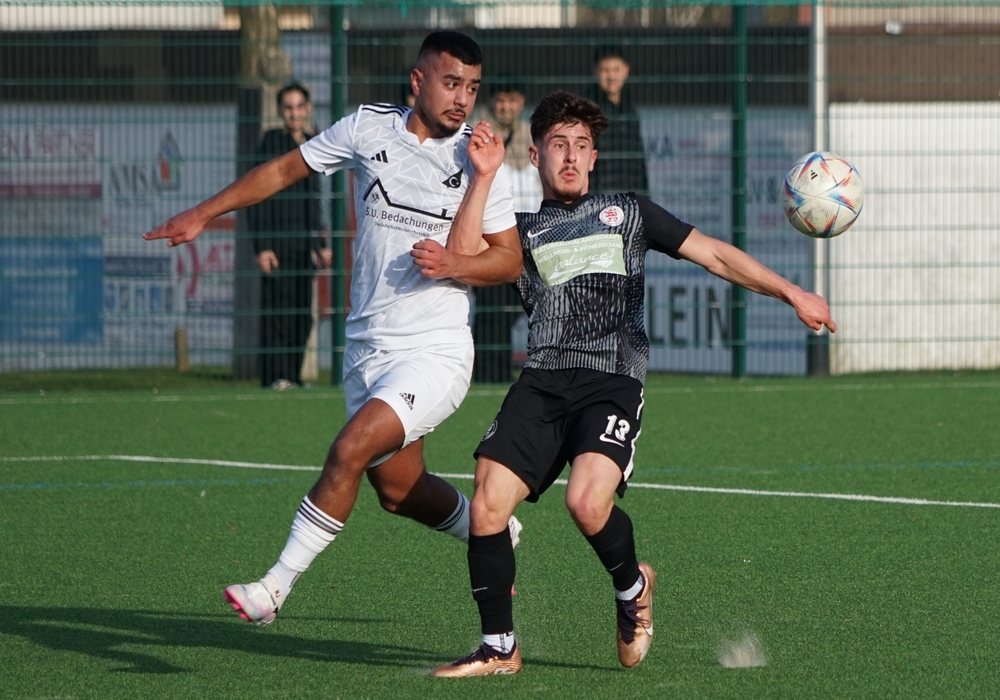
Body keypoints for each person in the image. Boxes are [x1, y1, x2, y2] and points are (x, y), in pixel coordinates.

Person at [430, 91, 836, 676]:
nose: (571, 156)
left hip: (611, 381)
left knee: (585, 502)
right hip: (542, 380)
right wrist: (484, 176)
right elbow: (460, 257)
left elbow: (715, 256)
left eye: (582, 146)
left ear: (595, 158)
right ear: (536, 154)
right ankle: (499, 647)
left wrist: (793, 293)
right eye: (558, 145)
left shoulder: (628, 212)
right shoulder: (519, 231)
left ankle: (632, 588)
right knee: (488, 504)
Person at [144, 31, 524, 626]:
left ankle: (273, 588)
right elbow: (283, 170)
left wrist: (456, 264)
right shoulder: (368, 128)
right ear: (418, 80)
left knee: (348, 450)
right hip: (367, 347)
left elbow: (510, 260)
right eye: (451, 83)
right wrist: (204, 212)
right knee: (398, 491)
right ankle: (492, 530)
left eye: (472, 87)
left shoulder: (479, 159)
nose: (462, 99)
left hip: (436, 351)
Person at [250, 82, 331, 390]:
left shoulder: (312, 143)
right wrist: (262, 247)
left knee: (302, 316)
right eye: (288, 107)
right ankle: (274, 377)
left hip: (303, 247)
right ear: (280, 111)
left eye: (299, 107)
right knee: (277, 314)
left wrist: (319, 245)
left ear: (307, 109)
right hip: (276, 244)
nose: (294, 113)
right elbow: (257, 196)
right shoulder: (271, 142)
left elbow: (313, 202)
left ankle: (294, 378)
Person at [470, 80, 541, 383]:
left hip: (529, 235)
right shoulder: (478, 130)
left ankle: (499, 370)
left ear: (521, 101)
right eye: (501, 100)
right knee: (492, 308)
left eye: (512, 100)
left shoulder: (531, 133)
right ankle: (488, 372)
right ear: (492, 102)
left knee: (514, 307)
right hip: (491, 234)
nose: (506, 107)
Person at [587, 47, 648, 196]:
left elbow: (638, 160)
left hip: (630, 196)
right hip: (598, 197)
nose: (611, 76)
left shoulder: (630, 110)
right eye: (605, 70)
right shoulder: (587, 109)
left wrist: (644, 198)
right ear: (595, 71)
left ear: (626, 70)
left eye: (616, 70)